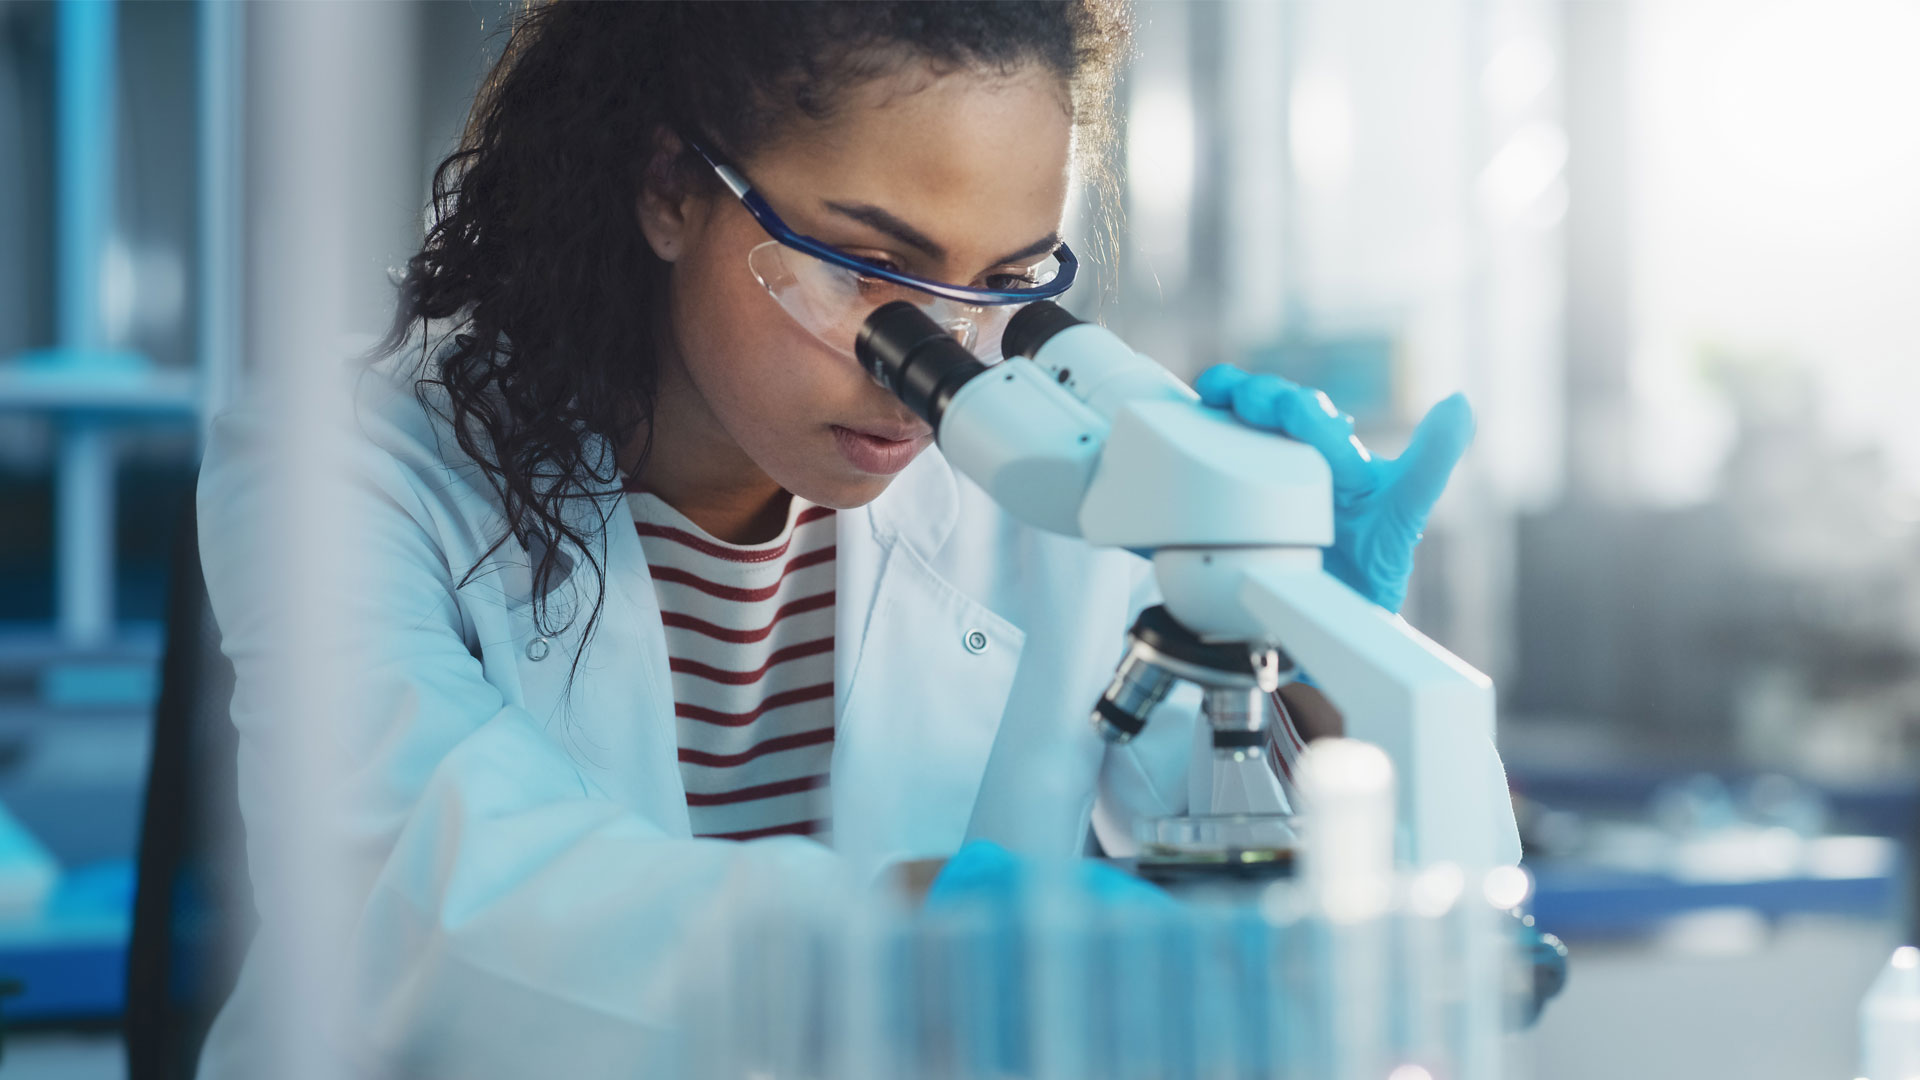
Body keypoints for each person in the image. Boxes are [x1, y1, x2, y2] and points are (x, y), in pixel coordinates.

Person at [195, 3, 1518, 1076]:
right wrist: (923, 943)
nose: (923, 367)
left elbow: (1328, 919)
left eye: (1002, 288)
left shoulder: (1049, 488)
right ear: (671, 188)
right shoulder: (347, 461)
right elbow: (431, 907)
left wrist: (1323, 646)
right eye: (862, 269)